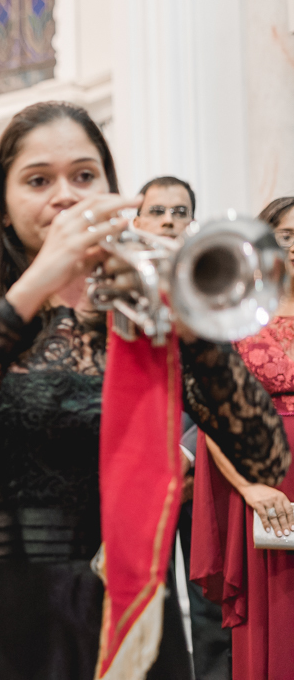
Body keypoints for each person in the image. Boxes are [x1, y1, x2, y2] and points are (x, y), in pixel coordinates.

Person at [0, 101, 290, 680]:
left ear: (111, 191)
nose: (65, 194)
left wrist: (198, 332)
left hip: (138, 614)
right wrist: (37, 283)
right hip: (18, 617)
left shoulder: (148, 319)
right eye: (39, 180)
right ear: (5, 208)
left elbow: (265, 455)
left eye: (84, 176)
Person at [191, 196, 294, 680]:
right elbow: (216, 417)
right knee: (273, 609)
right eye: (287, 237)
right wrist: (250, 487)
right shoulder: (234, 313)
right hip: (265, 476)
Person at [135, 174, 233, 680]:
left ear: (191, 222)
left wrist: (189, 452)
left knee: (210, 602)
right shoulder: (119, 293)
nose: (169, 220)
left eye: (179, 211)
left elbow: (229, 381)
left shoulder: (215, 291)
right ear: (137, 220)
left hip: (204, 467)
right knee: (149, 603)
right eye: (158, 211)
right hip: (138, 471)